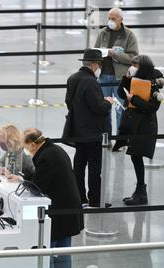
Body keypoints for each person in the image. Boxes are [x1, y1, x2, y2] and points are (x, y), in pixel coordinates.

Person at [21, 128, 84, 268]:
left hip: (58, 213)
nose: (26, 150)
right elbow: (43, 176)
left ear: (33, 144)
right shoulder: (54, 149)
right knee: (63, 252)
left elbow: (39, 187)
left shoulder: (45, 157)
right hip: (69, 210)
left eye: (26, 146)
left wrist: (21, 181)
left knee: (47, 249)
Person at [64, 48, 114, 208]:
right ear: (94, 65)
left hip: (77, 130)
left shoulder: (72, 78)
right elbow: (99, 108)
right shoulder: (91, 82)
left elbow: (69, 102)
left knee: (78, 165)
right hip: (93, 132)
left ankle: (79, 197)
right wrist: (108, 102)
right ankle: (95, 200)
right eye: (99, 65)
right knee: (94, 168)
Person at [116, 55, 164, 205]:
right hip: (133, 125)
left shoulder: (152, 82)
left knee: (136, 156)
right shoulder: (134, 78)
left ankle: (141, 193)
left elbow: (152, 107)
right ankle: (139, 191)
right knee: (134, 156)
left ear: (142, 66)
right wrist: (126, 78)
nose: (132, 67)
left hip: (144, 126)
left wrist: (134, 100)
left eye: (135, 65)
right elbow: (121, 94)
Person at [94, 7, 139, 134]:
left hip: (120, 78)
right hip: (103, 77)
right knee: (104, 109)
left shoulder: (129, 35)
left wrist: (114, 54)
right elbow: (95, 52)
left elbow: (133, 57)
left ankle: (120, 138)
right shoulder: (103, 33)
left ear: (121, 19)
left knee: (121, 109)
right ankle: (105, 137)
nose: (110, 21)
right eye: (109, 18)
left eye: (113, 18)